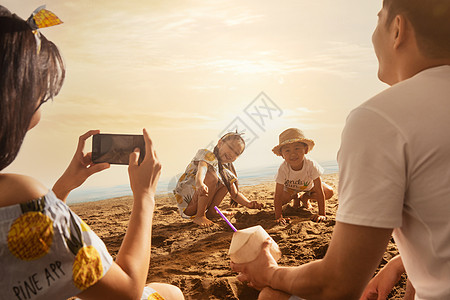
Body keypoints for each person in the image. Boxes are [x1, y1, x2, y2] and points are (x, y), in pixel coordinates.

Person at [231, 0, 450, 299]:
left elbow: (336, 285)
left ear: (398, 29)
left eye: (377, 19)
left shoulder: (381, 118)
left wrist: (268, 272)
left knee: (272, 295)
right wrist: (401, 264)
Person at [0, 6, 183, 300]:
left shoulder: (19, 200)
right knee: (170, 294)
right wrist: (145, 195)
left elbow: (24, 240)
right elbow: (126, 291)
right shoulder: (21, 192)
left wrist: (61, 189)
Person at [174, 132, 263, 227]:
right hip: (189, 204)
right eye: (231, 148)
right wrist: (200, 183)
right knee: (212, 176)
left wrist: (248, 204)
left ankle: (212, 211)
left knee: (226, 182)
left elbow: (235, 194)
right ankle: (200, 215)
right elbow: (202, 169)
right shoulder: (207, 154)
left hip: (200, 202)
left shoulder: (225, 172)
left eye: (236, 153)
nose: (232, 154)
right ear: (220, 143)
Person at [272, 128, 333, 224]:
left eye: (297, 148)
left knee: (329, 192)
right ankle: (295, 197)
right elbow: (278, 195)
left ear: (306, 149)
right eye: (287, 150)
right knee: (282, 200)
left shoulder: (311, 164)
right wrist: (279, 216)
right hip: (290, 189)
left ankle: (305, 197)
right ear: (282, 155)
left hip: (309, 187)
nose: (293, 153)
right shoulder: (283, 169)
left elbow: (319, 189)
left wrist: (322, 214)